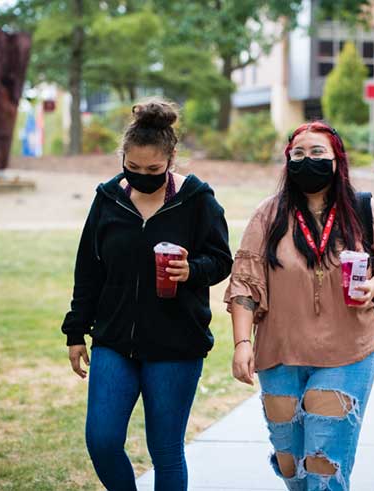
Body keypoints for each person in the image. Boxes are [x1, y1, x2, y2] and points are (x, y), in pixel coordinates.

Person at [225, 121, 374, 491]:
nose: (306, 160)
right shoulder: (269, 214)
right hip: (279, 353)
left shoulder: (363, 210)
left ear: (337, 162)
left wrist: (372, 286)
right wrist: (242, 343)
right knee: (292, 466)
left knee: (324, 469)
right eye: (298, 154)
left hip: (348, 351)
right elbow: (245, 281)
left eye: (317, 153)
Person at [61, 98, 233, 491]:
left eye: (153, 170)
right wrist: (76, 331)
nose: (142, 176)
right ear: (123, 157)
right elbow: (88, 269)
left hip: (176, 344)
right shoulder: (108, 199)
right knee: (102, 441)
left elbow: (222, 260)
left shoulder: (196, 199)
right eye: (133, 167)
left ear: (171, 159)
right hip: (114, 342)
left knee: (165, 449)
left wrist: (193, 270)